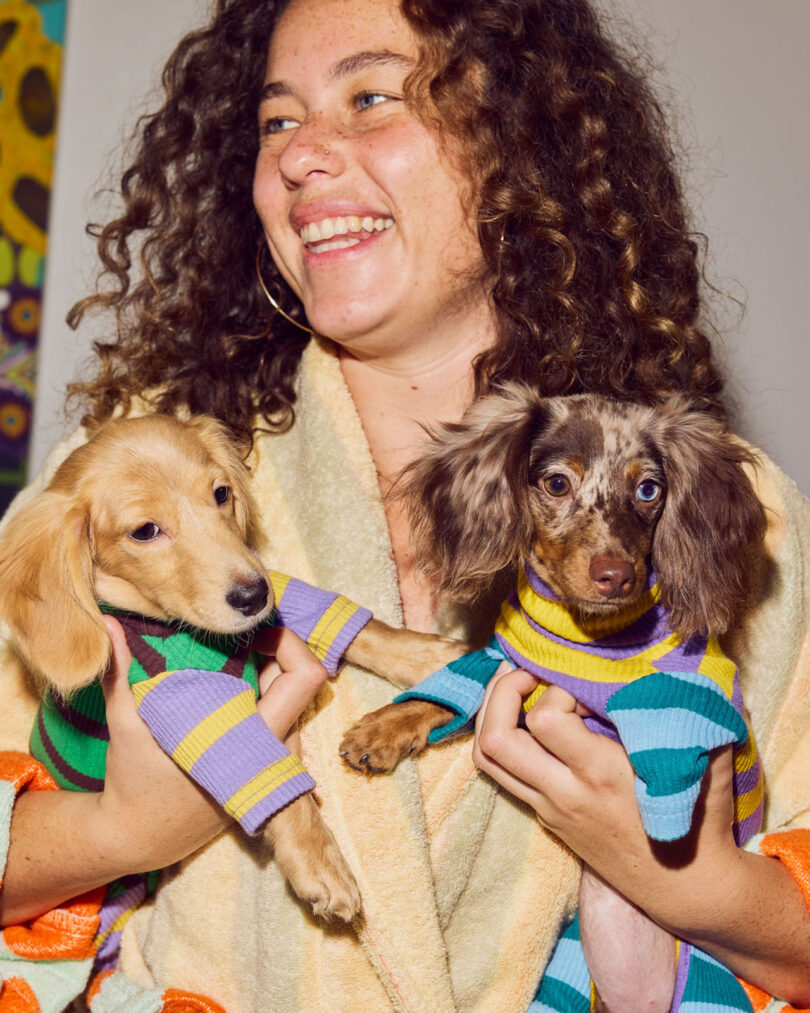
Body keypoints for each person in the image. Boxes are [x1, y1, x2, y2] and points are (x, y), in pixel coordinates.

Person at [0, 0, 808, 1010]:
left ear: (516, 143)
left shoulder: (716, 508)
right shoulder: (126, 478)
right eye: (276, 121)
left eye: (370, 96)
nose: (299, 158)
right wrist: (124, 829)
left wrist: (685, 878)